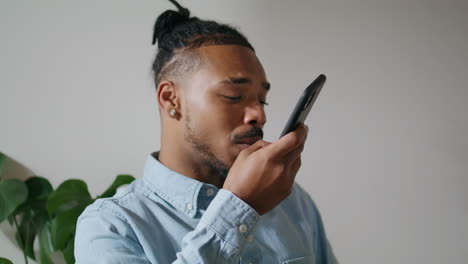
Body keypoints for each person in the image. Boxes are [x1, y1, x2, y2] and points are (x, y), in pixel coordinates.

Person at [75, 1, 338, 263]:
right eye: (233, 96)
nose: (259, 115)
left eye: (262, 100)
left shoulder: (291, 201)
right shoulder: (111, 227)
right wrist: (240, 206)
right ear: (170, 99)